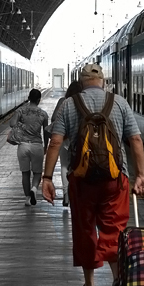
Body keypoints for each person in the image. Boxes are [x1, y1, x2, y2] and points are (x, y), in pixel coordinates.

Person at [41, 62, 144, 286]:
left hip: (82, 181)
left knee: (85, 230)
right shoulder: (120, 103)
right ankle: (118, 282)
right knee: (113, 231)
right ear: (103, 81)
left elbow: (55, 141)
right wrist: (140, 175)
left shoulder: (69, 104)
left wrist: (46, 178)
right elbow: (135, 140)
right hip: (115, 180)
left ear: (81, 81)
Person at [9, 89, 49, 205]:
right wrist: (46, 145)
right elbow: (46, 132)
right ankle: (34, 189)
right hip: (37, 146)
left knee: (25, 173)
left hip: (23, 146)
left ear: (29, 98)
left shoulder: (21, 111)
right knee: (37, 172)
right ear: (38, 100)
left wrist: (21, 125)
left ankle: (27, 198)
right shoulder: (43, 114)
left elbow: (12, 124)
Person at [48, 79, 85, 207]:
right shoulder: (84, 101)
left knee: (64, 166)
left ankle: (66, 195)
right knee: (79, 164)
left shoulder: (63, 101)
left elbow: (53, 118)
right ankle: (79, 193)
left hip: (64, 140)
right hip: (80, 140)